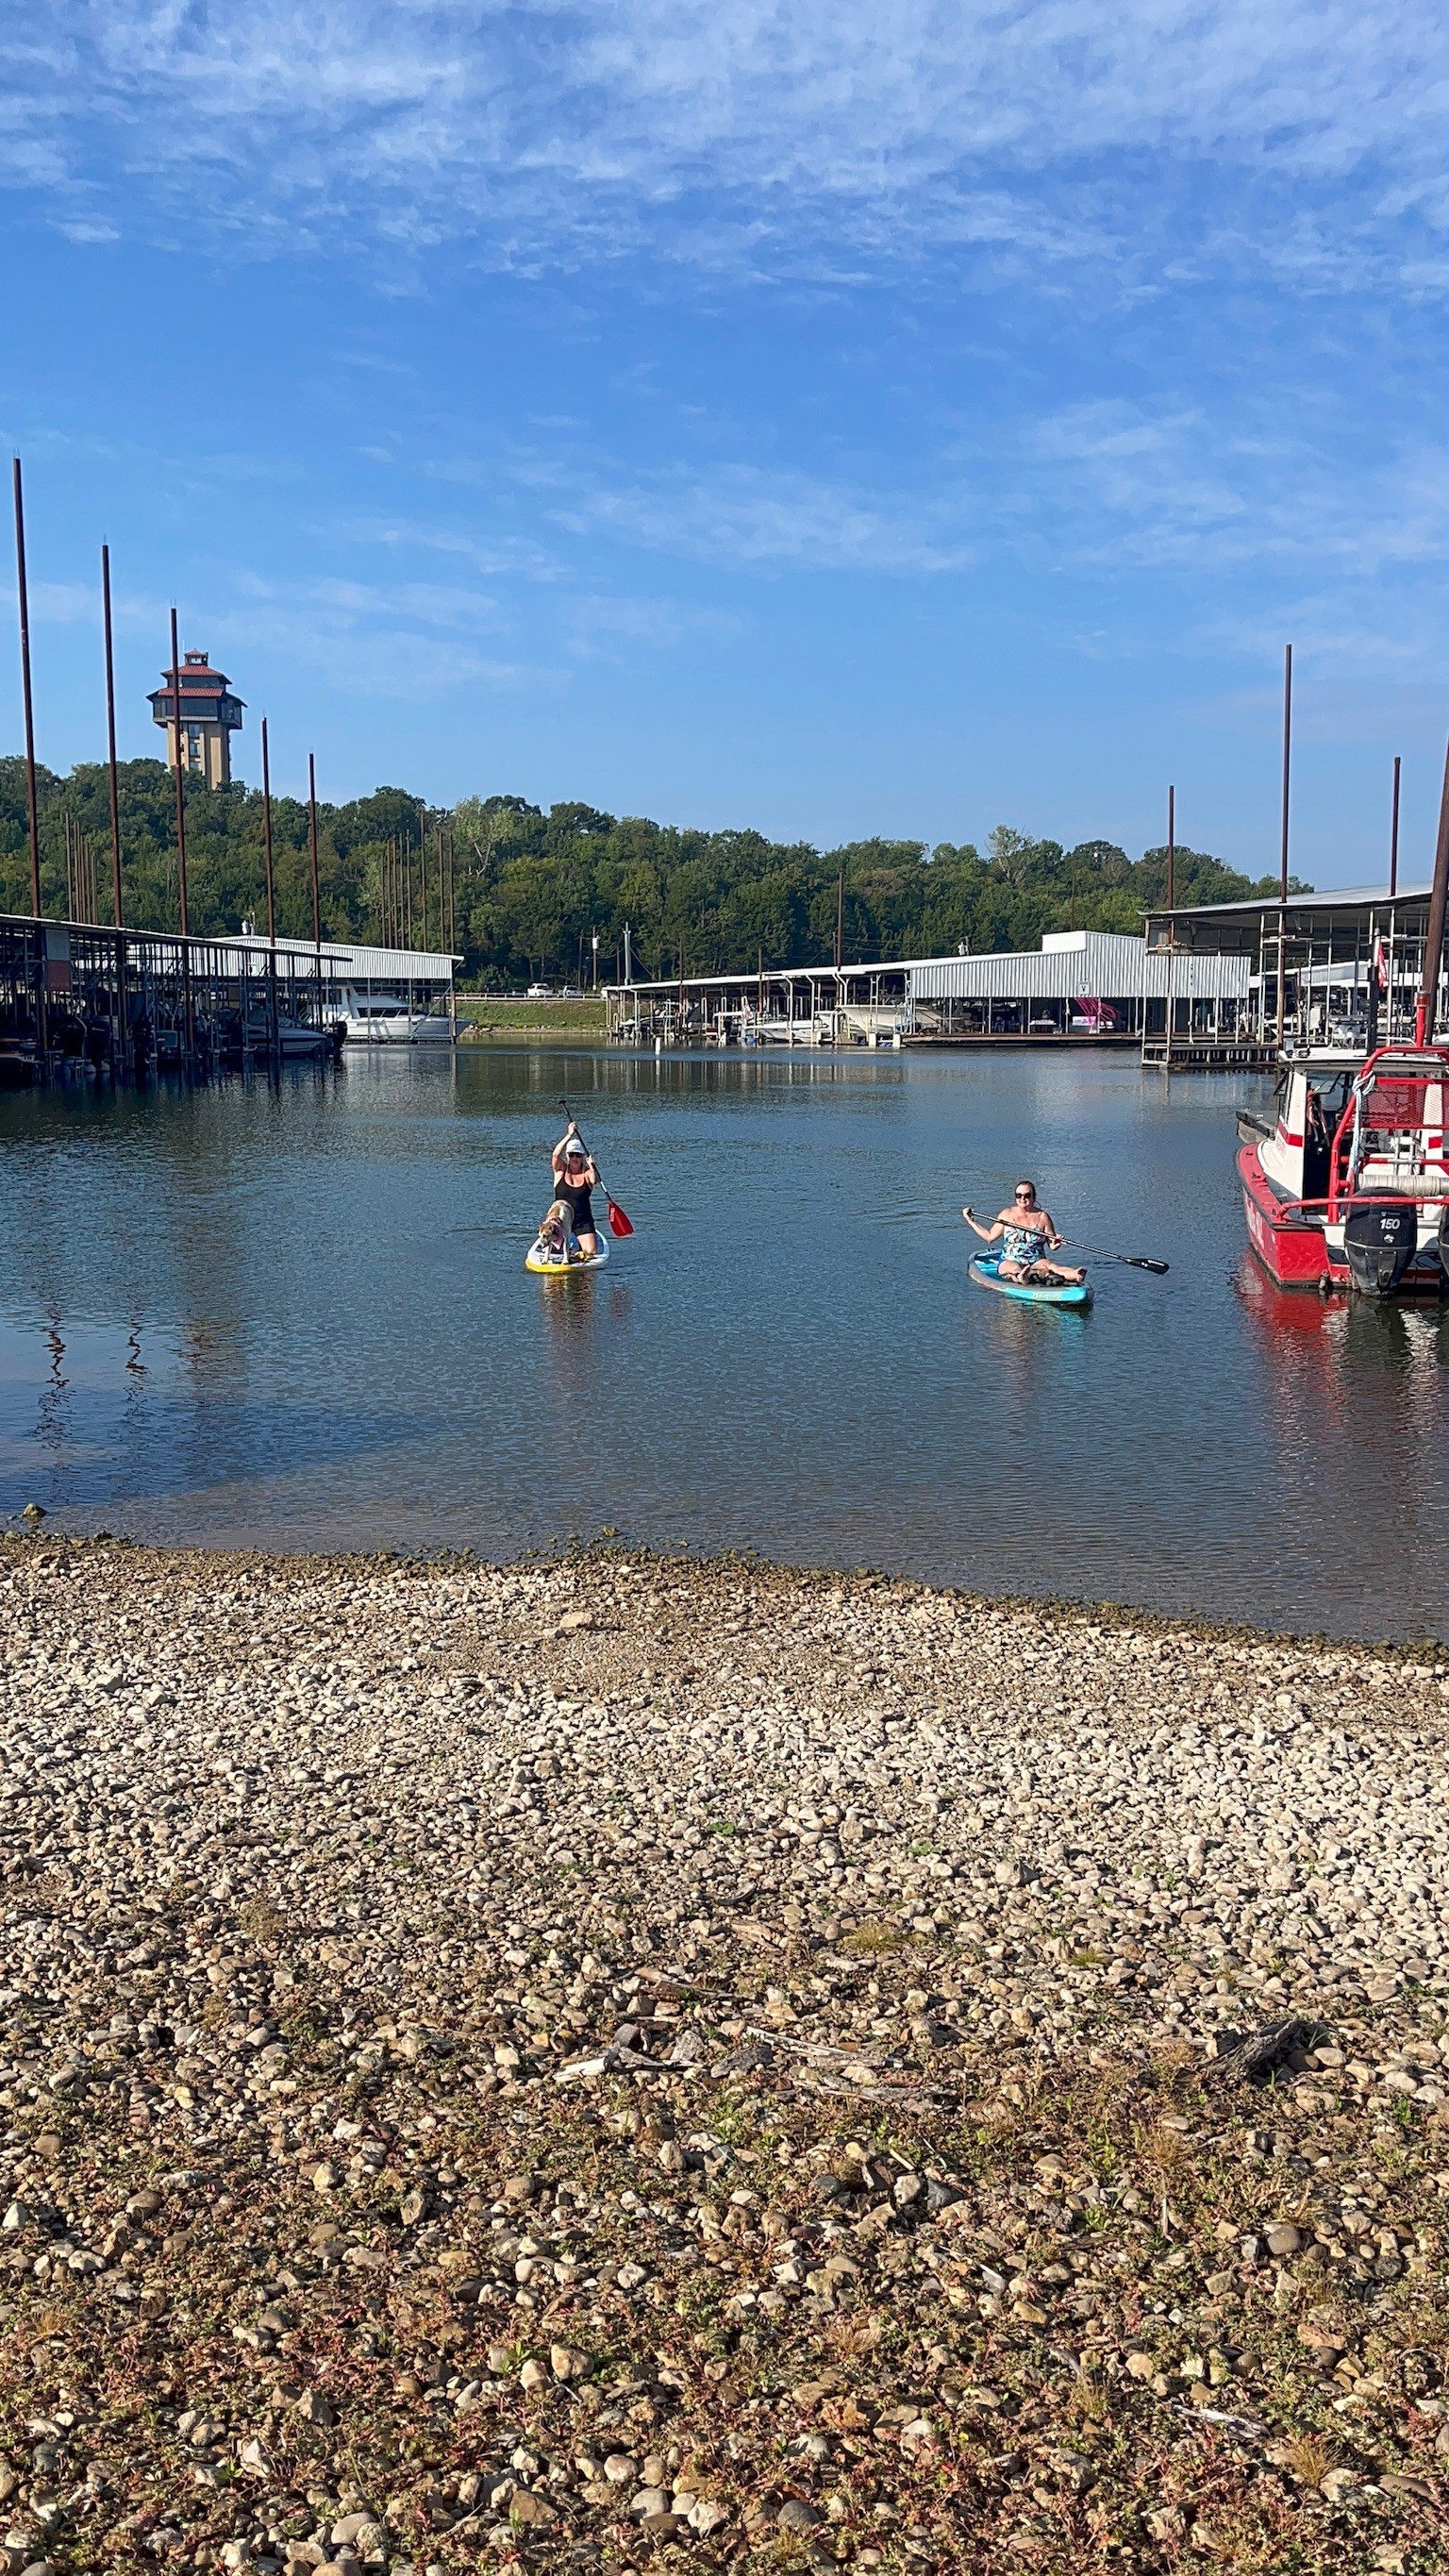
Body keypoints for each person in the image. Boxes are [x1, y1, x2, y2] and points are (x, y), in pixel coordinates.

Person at [962, 1181, 1086, 1284]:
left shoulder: (1043, 1217)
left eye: (1027, 1195)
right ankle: (1021, 1277)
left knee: (1052, 1266)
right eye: (1018, 1195)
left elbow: (1052, 1245)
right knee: (1013, 1268)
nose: (1022, 1199)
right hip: (1010, 1259)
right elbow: (989, 1237)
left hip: (1036, 1259)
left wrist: (1056, 1243)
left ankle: (1075, 1274)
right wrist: (971, 1221)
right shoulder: (1007, 1214)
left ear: (1033, 1197)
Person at [551, 1122, 600, 1258]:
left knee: (591, 1252)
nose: (575, 1158)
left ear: (583, 1157)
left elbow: (594, 1180)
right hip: (560, 1219)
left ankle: (576, 1249)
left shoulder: (587, 1173)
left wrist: (592, 1167)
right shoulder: (560, 1170)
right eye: (572, 1155)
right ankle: (566, 1248)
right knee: (554, 1251)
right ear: (567, 1156)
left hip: (582, 1220)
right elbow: (555, 1155)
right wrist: (569, 1134)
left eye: (578, 1155)